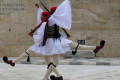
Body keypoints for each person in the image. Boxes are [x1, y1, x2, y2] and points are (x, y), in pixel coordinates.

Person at [3, 0, 105, 80]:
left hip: (52, 42)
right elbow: (44, 17)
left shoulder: (53, 19)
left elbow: (46, 18)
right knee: (50, 61)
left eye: (44, 15)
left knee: (43, 56)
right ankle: (94, 48)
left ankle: (16, 63)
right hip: (50, 42)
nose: (42, 17)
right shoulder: (50, 19)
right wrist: (39, 9)